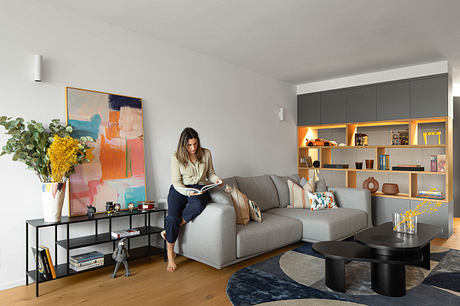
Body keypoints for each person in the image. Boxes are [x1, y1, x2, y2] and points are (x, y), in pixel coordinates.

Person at [161, 127, 222, 272]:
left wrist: (217, 179)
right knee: (172, 218)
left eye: (195, 144)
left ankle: (169, 231)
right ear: (183, 145)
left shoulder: (206, 153)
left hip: (198, 189)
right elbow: (176, 182)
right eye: (189, 145)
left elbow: (211, 174)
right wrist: (188, 192)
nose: (193, 148)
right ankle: (171, 254)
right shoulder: (175, 157)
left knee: (199, 204)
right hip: (180, 189)